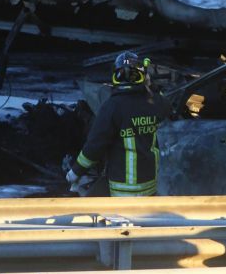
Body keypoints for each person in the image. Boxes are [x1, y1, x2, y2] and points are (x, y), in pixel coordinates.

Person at [66, 51, 170, 196]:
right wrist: (150, 86)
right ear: (143, 76)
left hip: (122, 191)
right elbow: (167, 106)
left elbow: (95, 145)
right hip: (149, 187)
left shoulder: (112, 106)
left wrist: (75, 172)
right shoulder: (155, 102)